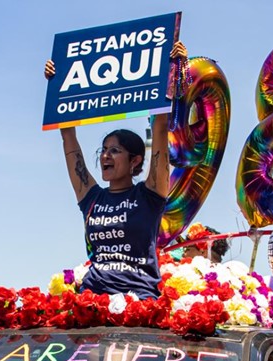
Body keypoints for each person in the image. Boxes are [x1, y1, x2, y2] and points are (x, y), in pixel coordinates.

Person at [44, 41, 186, 300]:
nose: (106, 156)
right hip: (92, 298)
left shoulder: (150, 194)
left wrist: (172, 72)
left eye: (115, 150)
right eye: (104, 150)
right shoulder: (91, 197)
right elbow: (69, 140)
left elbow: (160, 127)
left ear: (135, 161)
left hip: (140, 299)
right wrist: (58, 85)